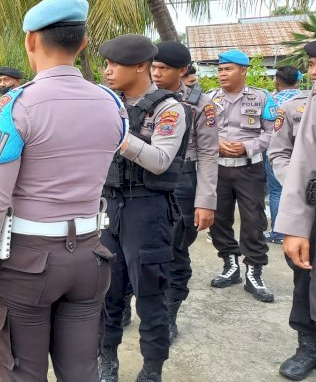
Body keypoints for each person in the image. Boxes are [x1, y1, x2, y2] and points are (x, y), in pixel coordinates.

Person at [0, 0, 124, 381]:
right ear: (83, 42)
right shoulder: (111, 103)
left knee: (21, 373)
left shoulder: (14, 106)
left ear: (30, 40)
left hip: (29, 264)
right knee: (82, 372)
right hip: (91, 257)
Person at [98, 34, 189, 382]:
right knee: (107, 289)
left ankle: (152, 367)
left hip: (148, 209)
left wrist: (119, 136)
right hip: (109, 205)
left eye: (114, 65)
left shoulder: (168, 107)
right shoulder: (107, 103)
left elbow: (161, 160)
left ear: (140, 66)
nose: (107, 72)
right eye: (105, 65)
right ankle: (107, 358)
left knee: (151, 294)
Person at [151, 41, 219, 342]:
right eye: (153, 67)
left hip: (183, 179)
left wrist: (206, 201)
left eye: (163, 69)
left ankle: (169, 313)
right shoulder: (142, 96)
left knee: (175, 250)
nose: (155, 73)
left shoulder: (200, 104)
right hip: (144, 176)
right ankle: (123, 305)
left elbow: (208, 154)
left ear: (182, 71)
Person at [207, 49, 277, 302]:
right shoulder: (209, 98)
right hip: (218, 168)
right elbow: (201, 132)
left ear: (243, 70)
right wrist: (216, 144)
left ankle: (254, 272)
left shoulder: (262, 98)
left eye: (228, 69)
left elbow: (272, 133)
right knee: (218, 218)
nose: (222, 73)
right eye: (220, 69)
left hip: (250, 168)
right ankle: (230, 265)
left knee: (253, 220)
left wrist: (248, 147)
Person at [269, 41, 316, 381]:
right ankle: (308, 345)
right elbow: (285, 154)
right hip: (312, 205)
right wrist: (296, 186)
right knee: (306, 278)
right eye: (312, 63)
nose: (314, 71)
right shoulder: (305, 105)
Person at [264, 66, 302, 245]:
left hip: (278, 152)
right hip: (303, 154)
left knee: (277, 191)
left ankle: (279, 233)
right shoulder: (306, 99)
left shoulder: (271, 101)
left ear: (277, 82)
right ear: (298, 81)